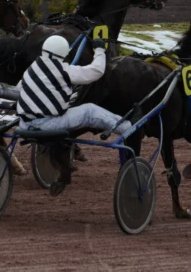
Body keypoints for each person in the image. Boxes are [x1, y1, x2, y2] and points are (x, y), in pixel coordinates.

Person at [17, 35, 138, 196]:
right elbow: (96, 71)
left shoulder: (32, 68)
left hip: (24, 124)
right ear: (63, 53)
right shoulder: (64, 70)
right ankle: (129, 128)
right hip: (47, 124)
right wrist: (100, 49)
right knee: (89, 110)